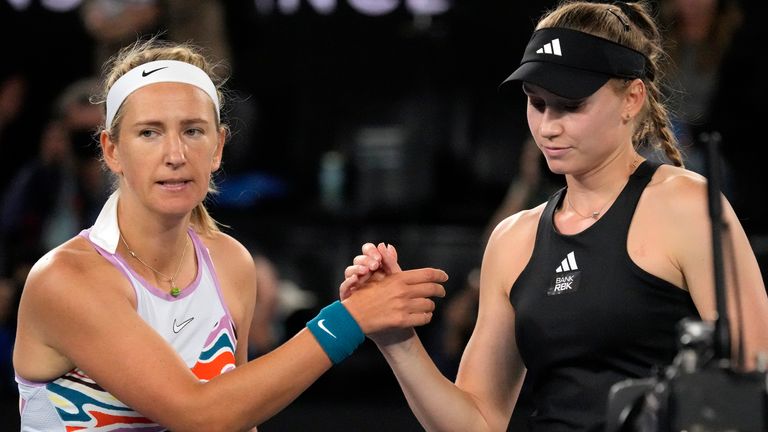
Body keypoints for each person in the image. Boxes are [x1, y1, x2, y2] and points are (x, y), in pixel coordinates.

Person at [340, 1, 768, 431]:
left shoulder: (687, 207)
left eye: (570, 105)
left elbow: (753, 381)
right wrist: (397, 341)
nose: (547, 127)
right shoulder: (513, 240)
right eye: (537, 103)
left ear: (632, 98)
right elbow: (478, 422)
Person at [12, 37, 448, 431]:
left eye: (193, 131)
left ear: (218, 147)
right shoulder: (66, 280)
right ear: (112, 150)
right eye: (149, 133)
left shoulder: (230, 261)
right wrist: (348, 320)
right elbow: (199, 415)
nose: (176, 155)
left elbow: (238, 415)